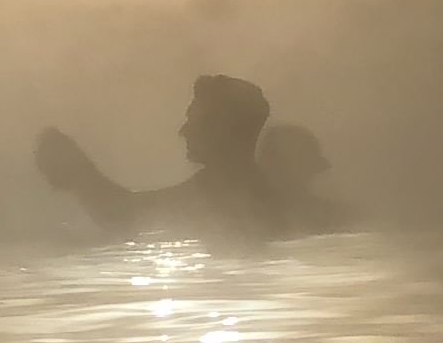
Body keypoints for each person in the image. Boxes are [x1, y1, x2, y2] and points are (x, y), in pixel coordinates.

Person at [34, 74, 303, 247]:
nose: (183, 130)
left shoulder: (226, 191)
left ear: (222, 129)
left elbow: (124, 216)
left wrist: (77, 170)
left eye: (193, 120)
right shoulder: (249, 187)